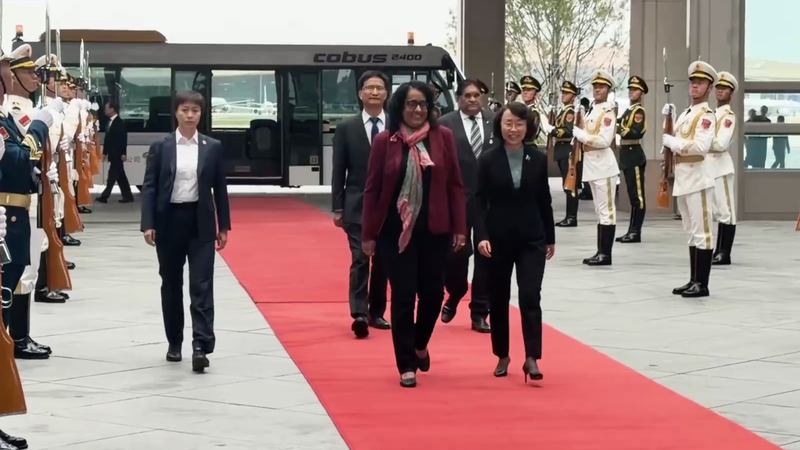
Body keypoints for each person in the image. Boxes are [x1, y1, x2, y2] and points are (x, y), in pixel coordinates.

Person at [361, 81, 467, 388]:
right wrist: (368, 234)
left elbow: (455, 185)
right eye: (411, 104)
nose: (418, 110)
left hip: (435, 229)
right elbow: (372, 188)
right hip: (395, 232)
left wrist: (460, 227)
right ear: (399, 108)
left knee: (433, 295)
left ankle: (420, 344)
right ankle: (406, 363)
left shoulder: (442, 137)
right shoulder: (386, 141)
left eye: (423, 105)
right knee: (404, 296)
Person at [140, 90, 231, 373]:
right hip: (169, 222)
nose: (190, 115)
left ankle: (201, 344)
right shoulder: (162, 146)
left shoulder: (212, 146)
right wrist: (148, 223)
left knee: (202, 285)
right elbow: (151, 186)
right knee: (171, 284)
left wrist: (224, 225)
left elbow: (220, 187)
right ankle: (174, 342)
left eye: (195, 110)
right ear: (176, 113)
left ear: (201, 114)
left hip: (201, 222)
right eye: (185, 110)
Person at [474, 102, 555, 383]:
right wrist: (481, 235)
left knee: (531, 295)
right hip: (497, 239)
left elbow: (544, 199)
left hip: (532, 237)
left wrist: (550, 237)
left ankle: (532, 357)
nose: (514, 129)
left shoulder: (538, 157)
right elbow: (478, 201)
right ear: (500, 125)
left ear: (528, 127)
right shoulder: (487, 159)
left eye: (519, 124)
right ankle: (502, 354)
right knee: (499, 298)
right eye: (508, 123)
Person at [2, 45, 61, 360]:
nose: (36, 78)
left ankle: (19, 335)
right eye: (28, 72)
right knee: (18, 272)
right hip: (12, 204)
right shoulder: (15, 109)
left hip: (29, 195)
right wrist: (40, 124)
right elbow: (22, 155)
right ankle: (16, 337)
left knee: (28, 267)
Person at [331, 70, 390, 338]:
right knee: (360, 257)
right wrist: (337, 206)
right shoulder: (346, 128)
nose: (375, 92)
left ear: (387, 93)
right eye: (370, 88)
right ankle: (360, 313)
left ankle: (377, 311)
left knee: (384, 261)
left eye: (379, 88)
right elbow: (338, 170)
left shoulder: (397, 126)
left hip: (391, 206)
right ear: (360, 93)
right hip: (356, 205)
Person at [438, 79, 493, 333]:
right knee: (456, 256)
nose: (472, 99)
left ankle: (480, 312)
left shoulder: (496, 120)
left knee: (487, 257)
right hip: (456, 200)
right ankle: (456, 292)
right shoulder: (444, 124)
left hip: (489, 201)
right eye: (467, 96)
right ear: (458, 98)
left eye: (477, 95)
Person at [661, 61, 718, 298]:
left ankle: (702, 284)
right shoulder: (686, 114)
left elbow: (701, 147)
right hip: (684, 177)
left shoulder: (707, 116)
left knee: (702, 231)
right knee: (691, 231)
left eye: (700, 83)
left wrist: (674, 142)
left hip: (698, 178)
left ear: (709, 88)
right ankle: (693, 279)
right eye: (693, 82)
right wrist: (670, 119)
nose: (695, 86)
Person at [569, 70, 620, 266]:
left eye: (602, 86)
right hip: (592, 164)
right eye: (595, 86)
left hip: (604, 166)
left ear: (609, 89)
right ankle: (600, 251)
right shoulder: (592, 109)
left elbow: (605, 140)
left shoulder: (607, 112)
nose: (597, 89)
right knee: (600, 211)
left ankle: (605, 254)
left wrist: (582, 135)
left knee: (607, 211)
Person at [616, 76, 649, 243]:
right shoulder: (628, 111)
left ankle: (636, 231)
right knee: (631, 194)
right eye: (630, 89)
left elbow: (636, 132)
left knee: (638, 197)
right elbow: (619, 126)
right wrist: (621, 127)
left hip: (634, 153)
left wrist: (621, 128)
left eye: (635, 89)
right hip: (626, 154)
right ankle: (631, 230)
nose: (631, 92)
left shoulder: (638, 112)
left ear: (641, 93)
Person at [710, 71, 738, 266]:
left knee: (726, 211)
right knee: (714, 211)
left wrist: (701, 141)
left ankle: (724, 253)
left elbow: (720, 144)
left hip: (721, 167)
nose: (720, 91)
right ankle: (716, 250)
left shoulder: (728, 116)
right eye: (718, 88)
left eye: (725, 89)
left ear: (731, 93)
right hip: (707, 168)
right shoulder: (710, 114)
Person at [545, 81, 579, 227]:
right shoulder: (564, 111)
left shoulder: (570, 113)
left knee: (570, 185)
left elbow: (567, 131)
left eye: (567, 93)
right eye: (563, 92)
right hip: (561, 149)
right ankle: (569, 216)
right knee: (566, 186)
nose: (563, 95)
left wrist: (552, 129)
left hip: (567, 150)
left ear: (573, 97)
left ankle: (572, 217)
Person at [97, 101, 133, 203]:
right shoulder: (110, 122)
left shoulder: (119, 123)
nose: (105, 110)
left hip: (117, 154)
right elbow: (108, 140)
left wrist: (123, 153)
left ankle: (105, 196)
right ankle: (128, 196)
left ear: (112, 109)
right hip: (112, 153)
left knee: (112, 175)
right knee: (121, 176)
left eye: (107, 108)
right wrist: (104, 153)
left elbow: (122, 139)